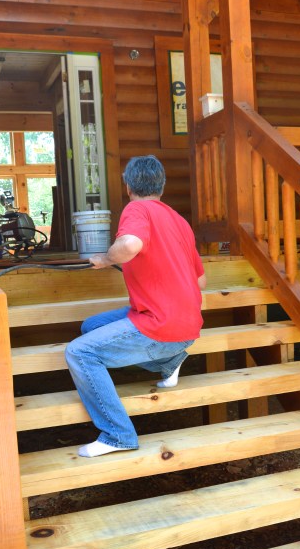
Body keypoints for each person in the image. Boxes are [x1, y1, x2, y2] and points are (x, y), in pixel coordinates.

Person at [65, 155, 206, 458]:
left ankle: (117, 434)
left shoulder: (137, 208)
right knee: (90, 327)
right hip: (188, 326)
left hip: (161, 326)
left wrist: (105, 259)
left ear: (128, 187)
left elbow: (129, 245)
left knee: (79, 352)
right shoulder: (180, 221)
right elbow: (202, 281)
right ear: (162, 187)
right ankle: (169, 363)